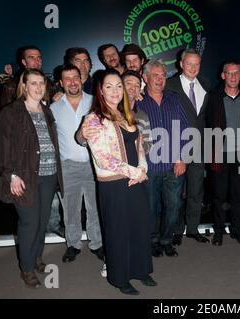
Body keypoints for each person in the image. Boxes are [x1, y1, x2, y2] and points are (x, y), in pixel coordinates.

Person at [81, 69, 155, 295]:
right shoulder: (93, 119)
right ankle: (120, 278)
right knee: (118, 231)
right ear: (101, 91)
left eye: (118, 86)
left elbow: (139, 146)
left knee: (140, 226)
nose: (115, 91)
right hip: (113, 184)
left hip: (136, 180)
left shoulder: (128, 115)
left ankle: (141, 270)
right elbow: (102, 157)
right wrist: (133, 172)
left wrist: (143, 169)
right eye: (109, 86)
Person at [0, 68, 63, 288]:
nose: (38, 87)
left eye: (41, 83)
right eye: (33, 83)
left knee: (42, 222)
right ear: (24, 86)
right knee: (29, 222)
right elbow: (3, 147)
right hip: (24, 177)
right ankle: (27, 268)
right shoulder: (11, 111)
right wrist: (11, 175)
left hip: (49, 175)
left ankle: (36, 256)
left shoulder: (46, 110)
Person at [50, 64, 104, 263]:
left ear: (82, 79)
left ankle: (96, 243)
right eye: (67, 79)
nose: (72, 82)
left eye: (76, 77)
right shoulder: (53, 108)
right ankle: (72, 245)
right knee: (70, 209)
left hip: (94, 165)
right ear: (61, 83)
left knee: (95, 207)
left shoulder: (96, 103)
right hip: (67, 166)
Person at [138, 59, 189, 258]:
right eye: (155, 75)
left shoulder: (173, 99)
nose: (160, 80)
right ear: (145, 77)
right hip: (149, 166)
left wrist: (182, 157)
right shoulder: (137, 101)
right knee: (150, 208)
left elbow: (185, 129)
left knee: (174, 206)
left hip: (173, 164)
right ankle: (151, 241)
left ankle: (167, 240)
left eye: (163, 76)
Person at [206, 60, 240, 246]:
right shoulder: (213, 97)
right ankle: (218, 232)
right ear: (223, 75)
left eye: (237, 73)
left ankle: (237, 230)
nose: (233, 76)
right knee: (218, 196)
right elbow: (205, 125)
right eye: (229, 73)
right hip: (219, 154)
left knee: (238, 195)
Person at [166, 49, 211, 245]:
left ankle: (192, 228)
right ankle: (176, 230)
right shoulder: (169, 85)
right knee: (175, 193)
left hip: (200, 147)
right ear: (181, 64)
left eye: (197, 64)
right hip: (178, 147)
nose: (193, 68)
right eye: (189, 63)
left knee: (196, 191)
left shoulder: (206, 84)